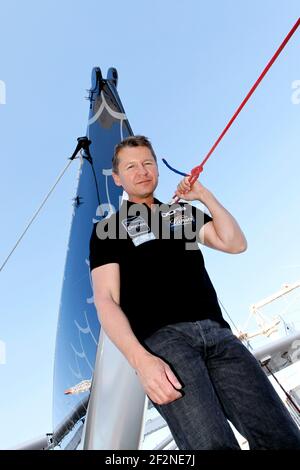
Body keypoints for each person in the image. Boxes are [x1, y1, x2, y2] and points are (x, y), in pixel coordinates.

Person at [89, 135, 300, 450]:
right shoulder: (108, 229)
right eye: (131, 166)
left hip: (220, 336)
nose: (142, 171)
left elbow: (234, 243)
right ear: (118, 178)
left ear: (157, 169)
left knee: (281, 436)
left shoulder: (181, 215)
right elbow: (106, 301)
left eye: (148, 163)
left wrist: (205, 196)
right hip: (164, 344)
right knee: (211, 445)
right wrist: (142, 361)